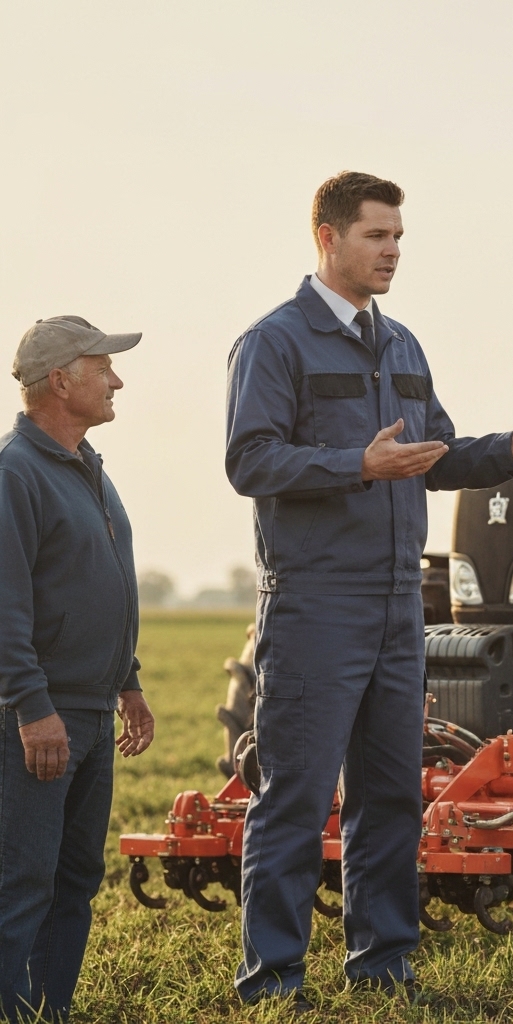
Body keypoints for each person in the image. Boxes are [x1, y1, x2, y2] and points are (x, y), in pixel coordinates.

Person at [226, 171, 513, 1010]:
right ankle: (272, 977)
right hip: (316, 603)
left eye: (398, 239)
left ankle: (382, 963)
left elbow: (439, 454)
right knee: (298, 796)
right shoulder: (275, 342)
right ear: (329, 237)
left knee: (388, 793)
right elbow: (250, 462)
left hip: (397, 608)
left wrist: (510, 448)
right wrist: (357, 464)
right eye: (376, 237)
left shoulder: (404, 346)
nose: (391, 252)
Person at [0, 316, 155, 1022]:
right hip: (38, 719)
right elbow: (6, 605)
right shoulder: (15, 472)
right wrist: (33, 709)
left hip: (92, 712)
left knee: (75, 879)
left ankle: (48, 1013)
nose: (117, 379)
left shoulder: (90, 468)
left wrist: (129, 679)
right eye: (103, 367)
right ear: (62, 381)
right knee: (22, 880)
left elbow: (100, 585)